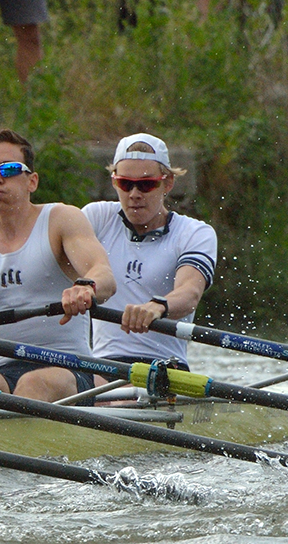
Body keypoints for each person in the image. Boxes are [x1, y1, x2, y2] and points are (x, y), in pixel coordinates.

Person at [0, 128, 117, 402]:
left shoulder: (60, 220)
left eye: (10, 169)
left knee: (33, 384)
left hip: (68, 367)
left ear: (32, 181)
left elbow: (104, 275)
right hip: (0, 370)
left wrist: (86, 287)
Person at [83, 134, 218, 370]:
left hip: (165, 367)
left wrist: (158, 306)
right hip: (104, 365)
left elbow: (190, 292)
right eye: (125, 184)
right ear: (114, 182)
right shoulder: (96, 218)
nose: (134, 194)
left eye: (146, 184)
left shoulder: (194, 233)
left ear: (168, 183)